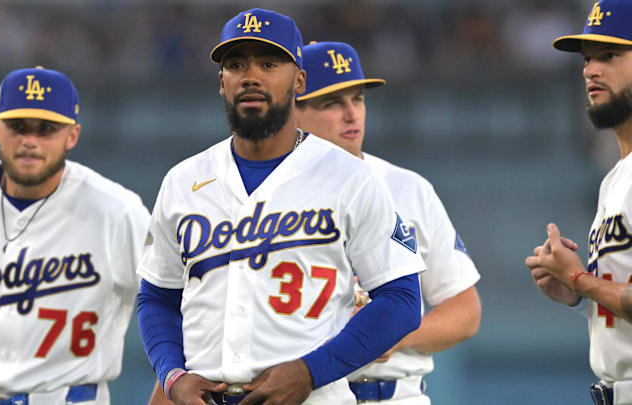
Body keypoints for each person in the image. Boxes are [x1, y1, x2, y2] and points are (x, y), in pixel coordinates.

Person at [137, 8, 427, 405]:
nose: (251, 75)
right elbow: (157, 297)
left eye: (269, 63)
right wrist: (172, 375)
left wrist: (311, 371)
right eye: (236, 64)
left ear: (299, 80)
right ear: (222, 82)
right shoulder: (182, 181)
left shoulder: (351, 177)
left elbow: (403, 301)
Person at [0, 66, 151, 405]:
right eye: (18, 126)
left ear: (72, 135)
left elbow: (171, 301)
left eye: (46, 128)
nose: (30, 140)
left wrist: (170, 386)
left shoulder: (117, 211)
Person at [294, 41, 482, 405]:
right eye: (332, 102)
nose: (352, 114)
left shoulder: (408, 188)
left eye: (358, 99)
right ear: (294, 112)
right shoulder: (268, 198)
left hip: (398, 396)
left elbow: (465, 312)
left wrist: (390, 334)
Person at [524, 1, 632, 404]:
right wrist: (578, 297)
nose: (590, 70)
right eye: (588, 59)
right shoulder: (614, 179)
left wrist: (579, 279)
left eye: (610, 55)